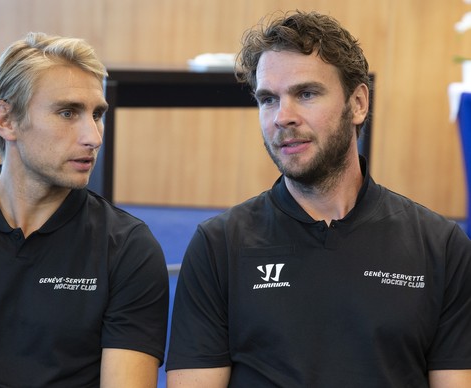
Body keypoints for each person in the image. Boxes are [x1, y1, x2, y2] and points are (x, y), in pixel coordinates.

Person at [166, 10, 471, 387]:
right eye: (268, 99)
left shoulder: (440, 247)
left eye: (306, 94)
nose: (283, 117)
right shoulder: (219, 246)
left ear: (358, 104)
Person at [0, 32, 169, 387]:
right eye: (68, 112)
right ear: (6, 120)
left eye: (97, 114)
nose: (94, 137)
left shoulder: (128, 248)